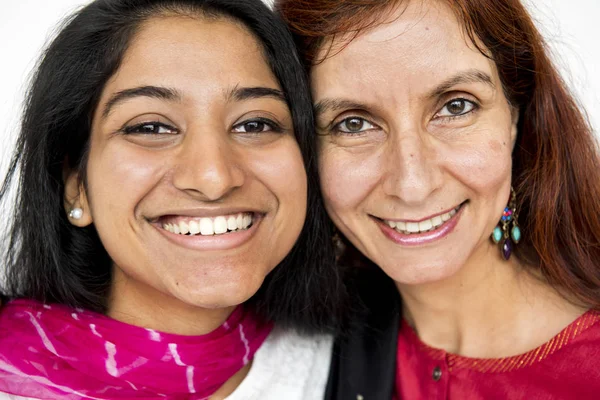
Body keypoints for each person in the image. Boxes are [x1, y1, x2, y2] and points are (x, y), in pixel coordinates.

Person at [0, 0, 347, 398]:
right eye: (151, 127)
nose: (214, 178)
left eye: (255, 123)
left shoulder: (355, 363)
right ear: (75, 183)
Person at [278, 0, 600, 398]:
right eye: (354, 124)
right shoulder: (296, 350)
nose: (413, 184)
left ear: (515, 116)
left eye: (456, 106)